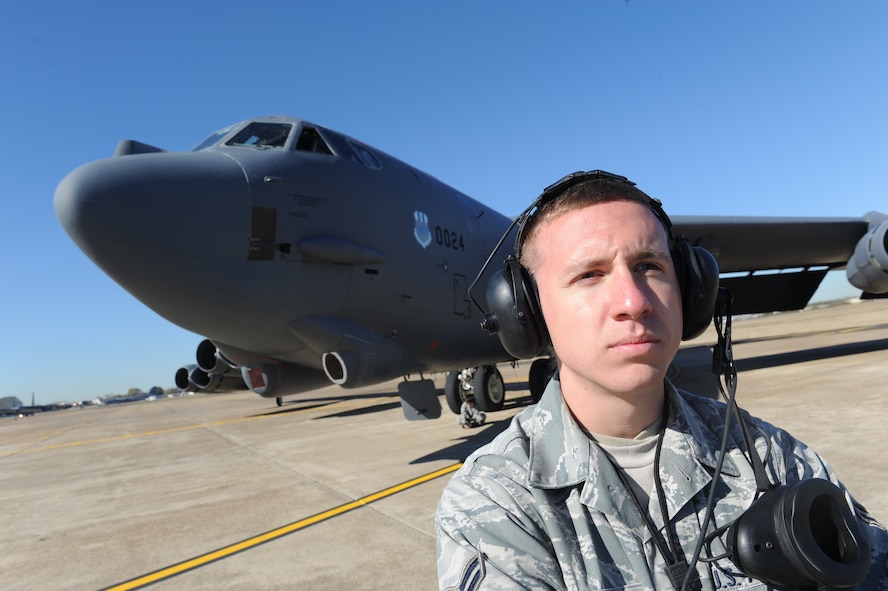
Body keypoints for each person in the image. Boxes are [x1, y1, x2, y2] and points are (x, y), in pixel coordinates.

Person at [435, 171, 888, 590]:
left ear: (689, 290)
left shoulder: (768, 456)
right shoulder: (495, 503)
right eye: (589, 275)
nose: (633, 301)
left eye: (650, 266)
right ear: (528, 316)